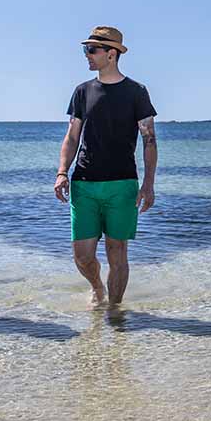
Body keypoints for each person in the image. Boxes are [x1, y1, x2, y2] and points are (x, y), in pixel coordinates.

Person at [53, 26, 157, 307]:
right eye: (86, 49)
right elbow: (72, 136)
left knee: (117, 250)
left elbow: (149, 140)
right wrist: (62, 172)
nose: (86, 55)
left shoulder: (137, 92)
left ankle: (115, 311)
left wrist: (148, 184)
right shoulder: (82, 92)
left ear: (111, 54)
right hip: (84, 182)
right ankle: (98, 287)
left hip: (122, 183)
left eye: (92, 50)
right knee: (83, 255)